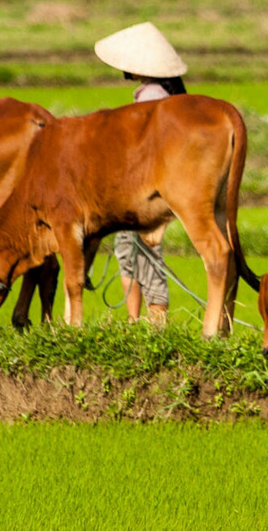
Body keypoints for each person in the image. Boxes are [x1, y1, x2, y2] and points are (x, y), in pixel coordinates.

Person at [92, 21, 189, 325]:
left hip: (146, 188)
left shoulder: (152, 96)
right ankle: (134, 321)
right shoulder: (154, 92)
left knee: (145, 251)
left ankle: (155, 318)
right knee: (126, 249)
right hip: (138, 187)